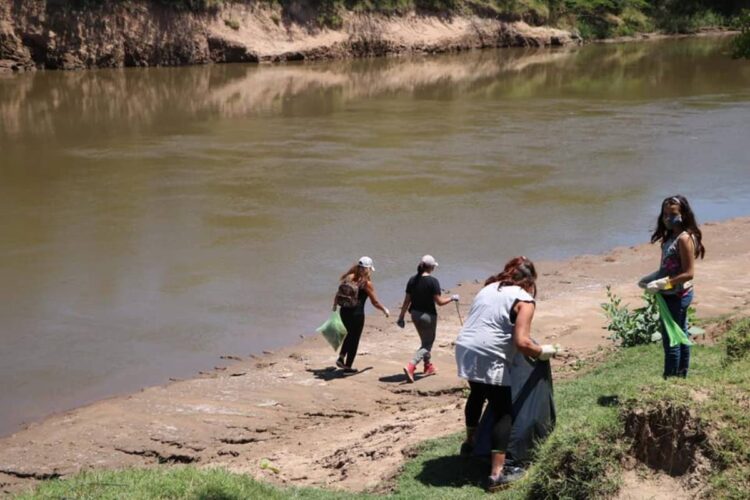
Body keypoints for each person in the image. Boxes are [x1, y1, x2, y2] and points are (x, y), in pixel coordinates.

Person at [454, 256, 560, 492]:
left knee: (477, 394)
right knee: (503, 411)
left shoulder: (488, 288)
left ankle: (470, 445)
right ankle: (498, 474)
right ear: (529, 282)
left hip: (465, 347)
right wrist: (543, 351)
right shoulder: (525, 299)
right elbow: (522, 342)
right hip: (489, 352)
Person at [639, 195, 705, 379]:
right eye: (665, 214)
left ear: (683, 214)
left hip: (677, 294)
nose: (668, 218)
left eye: (673, 214)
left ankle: (670, 378)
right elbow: (667, 267)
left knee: (672, 339)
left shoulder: (684, 239)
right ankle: (681, 375)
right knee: (680, 334)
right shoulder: (670, 236)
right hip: (670, 293)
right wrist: (651, 279)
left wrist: (663, 283)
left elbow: (688, 273)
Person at [397, 255, 459, 382]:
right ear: (431, 267)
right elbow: (440, 302)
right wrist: (452, 298)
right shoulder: (433, 281)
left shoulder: (412, 280)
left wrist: (401, 317)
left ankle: (428, 366)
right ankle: (411, 366)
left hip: (415, 314)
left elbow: (406, 301)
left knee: (425, 341)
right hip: (428, 316)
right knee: (427, 343)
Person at [332, 256, 389, 372]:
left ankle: (341, 357)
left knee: (349, 334)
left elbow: (338, 293)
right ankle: (348, 366)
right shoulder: (366, 283)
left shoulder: (349, 277)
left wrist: (334, 305)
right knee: (355, 339)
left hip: (344, 311)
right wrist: (384, 309)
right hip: (356, 314)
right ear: (368, 269)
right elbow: (375, 302)